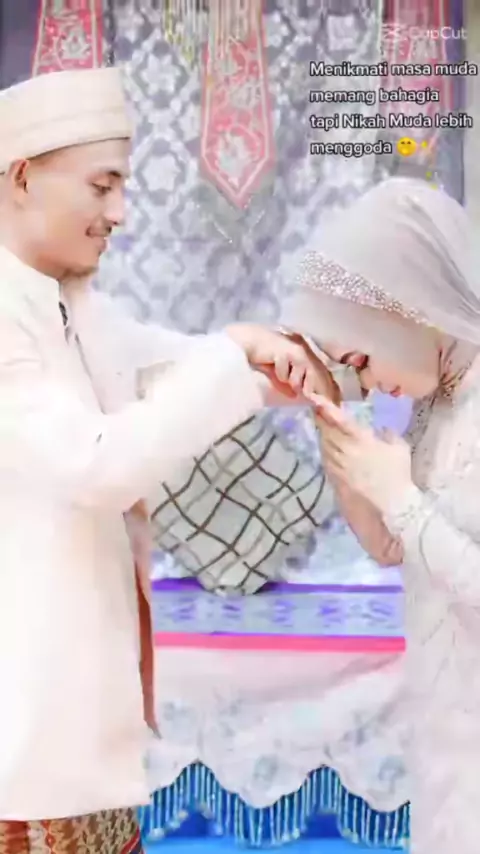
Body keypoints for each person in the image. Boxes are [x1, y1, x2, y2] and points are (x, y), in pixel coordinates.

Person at [0, 68, 339, 852]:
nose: (120, 212)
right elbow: (97, 465)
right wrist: (232, 358)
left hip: (75, 720)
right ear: (21, 178)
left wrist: (283, 361)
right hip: (21, 735)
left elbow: (169, 364)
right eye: (102, 186)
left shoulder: (68, 301)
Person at [282, 176, 480, 854]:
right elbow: (393, 548)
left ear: (409, 305)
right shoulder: (439, 399)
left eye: (361, 359)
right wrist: (333, 428)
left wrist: (400, 498)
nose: (365, 381)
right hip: (445, 729)